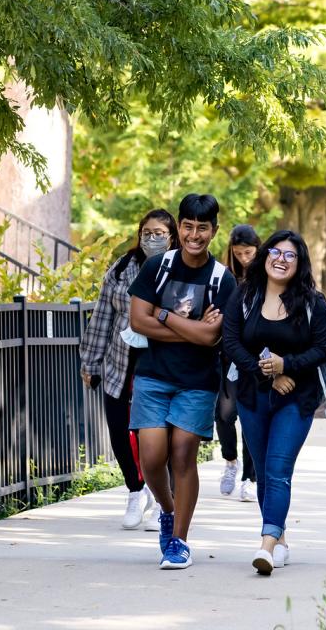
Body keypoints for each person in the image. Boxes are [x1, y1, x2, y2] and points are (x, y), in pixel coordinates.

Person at [127, 193, 237, 570]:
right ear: (180, 228)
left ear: (213, 231)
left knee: (183, 453)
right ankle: (168, 509)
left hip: (196, 382)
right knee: (152, 458)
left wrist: (164, 316)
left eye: (202, 228)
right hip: (153, 377)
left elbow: (212, 338)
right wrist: (191, 328)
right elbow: (137, 321)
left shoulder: (223, 279)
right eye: (187, 226)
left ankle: (179, 541)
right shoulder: (158, 267)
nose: (194, 234)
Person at [221, 229, 326, 575]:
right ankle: (280, 538)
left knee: (278, 469)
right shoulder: (245, 296)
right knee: (265, 475)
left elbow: (321, 349)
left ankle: (266, 544)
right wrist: (267, 372)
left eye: (290, 255)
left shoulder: (313, 303)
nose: (280, 259)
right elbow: (231, 342)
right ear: (264, 255)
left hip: (295, 400)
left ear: (300, 264)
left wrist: (288, 366)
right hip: (253, 396)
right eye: (275, 252)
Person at [79, 209, 176, 530]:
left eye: (160, 233)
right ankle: (135, 491)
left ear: (172, 236)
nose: (153, 238)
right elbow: (102, 318)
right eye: (147, 232)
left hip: (162, 365)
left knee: (158, 435)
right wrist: (90, 362)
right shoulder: (121, 270)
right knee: (120, 431)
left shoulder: (180, 269)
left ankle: (161, 498)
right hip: (121, 364)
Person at [217, 224, 260, 501]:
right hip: (228, 355)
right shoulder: (226, 278)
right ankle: (231, 461)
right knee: (224, 414)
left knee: (251, 417)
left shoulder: (266, 275)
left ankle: (250, 477)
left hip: (256, 356)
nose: (244, 258)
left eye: (248, 252)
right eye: (238, 253)